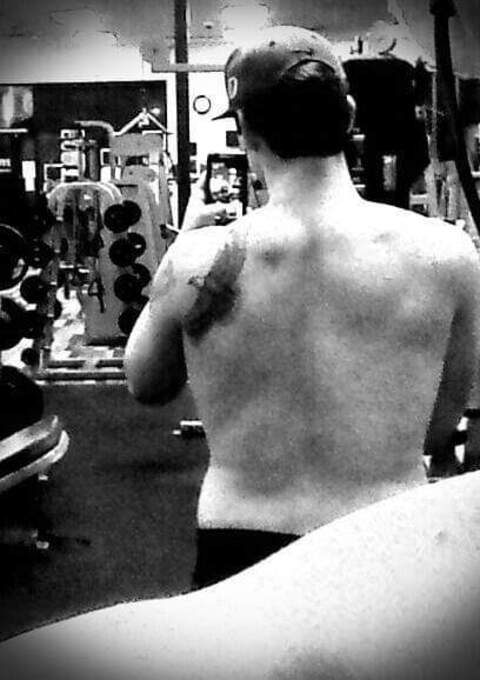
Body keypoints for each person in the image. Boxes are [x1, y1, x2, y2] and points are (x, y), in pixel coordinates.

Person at [124, 25, 480, 588]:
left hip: (241, 548)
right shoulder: (448, 253)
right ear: (349, 114)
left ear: (246, 132)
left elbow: (145, 382)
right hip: (386, 540)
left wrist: (183, 245)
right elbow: (438, 430)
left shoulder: (198, 257)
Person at [2, 471, 480, 679]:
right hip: (390, 527)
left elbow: (149, 382)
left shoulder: (190, 282)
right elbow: (442, 423)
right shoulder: (450, 280)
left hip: (241, 519)